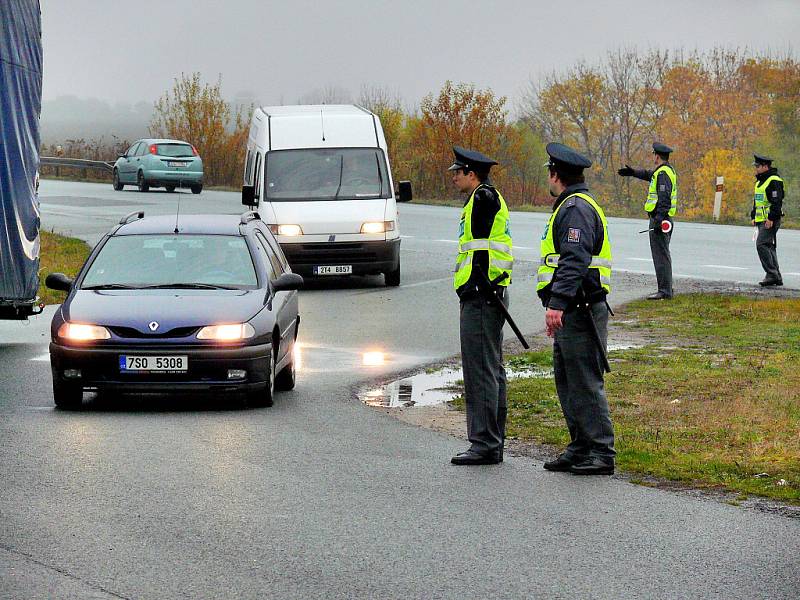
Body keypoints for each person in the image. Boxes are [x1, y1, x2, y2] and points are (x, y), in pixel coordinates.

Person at [537, 142, 615, 475]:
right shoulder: (570, 205)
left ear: (557, 174)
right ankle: (581, 445)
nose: (549, 178)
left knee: (584, 380)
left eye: (550, 172)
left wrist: (557, 303)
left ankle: (601, 451)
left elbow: (574, 259)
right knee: (568, 380)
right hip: (575, 307)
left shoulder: (575, 209)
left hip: (580, 307)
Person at [449, 146, 513, 466]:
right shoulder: (484, 197)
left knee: (481, 370)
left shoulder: (483, 198)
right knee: (491, 367)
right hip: (486, 293)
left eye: (457, 172)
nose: (454, 178)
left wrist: (478, 281)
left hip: (482, 295)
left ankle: (485, 442)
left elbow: (481, 251)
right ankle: (492, 440)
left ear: (471, 173)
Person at [618, 142, 677, 300]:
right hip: (663, 219)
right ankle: (666, 288)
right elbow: (648, 174)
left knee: (660, 255)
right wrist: (633, 172)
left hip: (660, 219)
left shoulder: (663, 174)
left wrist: (658, 220)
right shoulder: (664, 171)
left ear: (657, 156)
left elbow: (664, 200)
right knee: (663, 254)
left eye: (653, 155)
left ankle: (664, 291)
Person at [750, 153, 785, 286]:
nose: (756, 168)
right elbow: (757, 201)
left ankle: (771, 274)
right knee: (769, 246)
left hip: (770, 220)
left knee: (762, 245)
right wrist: (753, 215)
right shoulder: (760, 181)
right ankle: (776, 276)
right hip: (761, 220)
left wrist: (771, 218)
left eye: (758, 166)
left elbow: (777, 202)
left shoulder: (774, 180)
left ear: (765, 166)